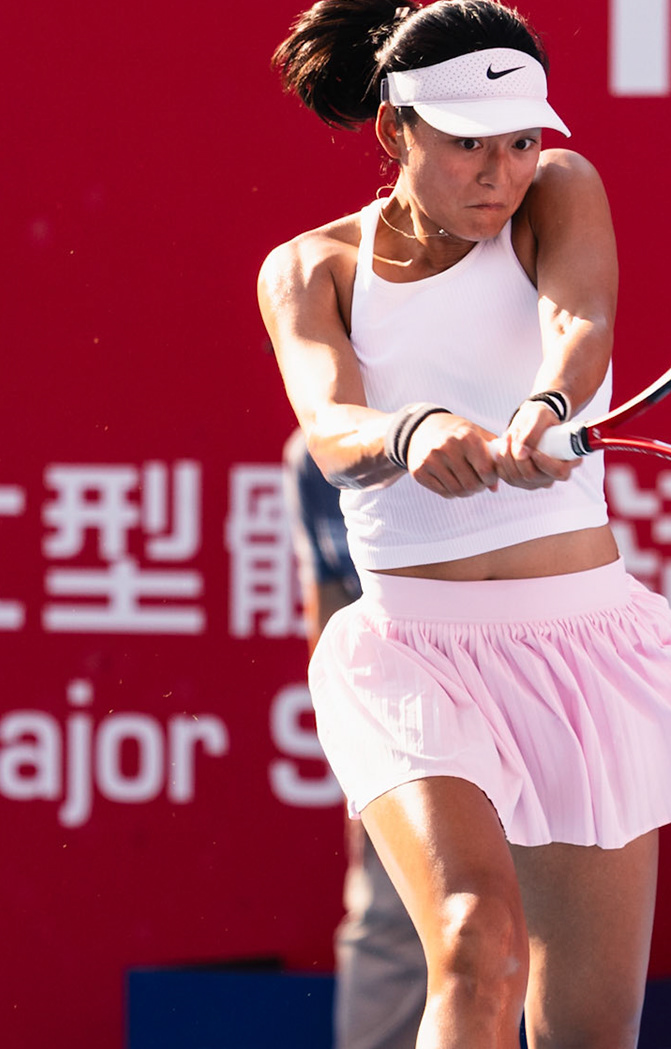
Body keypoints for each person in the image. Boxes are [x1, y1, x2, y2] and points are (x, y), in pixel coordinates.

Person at [257, 0, 671, 1049]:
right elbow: (330, 427)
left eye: (519, 142)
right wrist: (411, 432)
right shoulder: (311, 268)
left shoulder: (561, 189)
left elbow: (580, 320)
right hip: (413, 655)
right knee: (478, 948)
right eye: (469, 144)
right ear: (396, 131)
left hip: (581, 653)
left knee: (587, 1032)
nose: (500, 173)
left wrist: (547, 408)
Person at [281, 428, 430, 1049]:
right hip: (400, 737)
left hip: (520, 711)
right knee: (394, 924)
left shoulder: (467, 424)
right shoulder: (311, 458)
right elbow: (331, 605)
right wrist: (356, 758)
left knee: (527, 939)